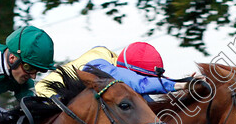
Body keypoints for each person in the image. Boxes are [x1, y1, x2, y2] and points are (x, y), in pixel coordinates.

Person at [35, 42, 198, 102]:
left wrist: (184, 85)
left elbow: (148, 98)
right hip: (48, 98)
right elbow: (141, 83)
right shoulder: (99, 63)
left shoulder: (122, 66)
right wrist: (178, 85)